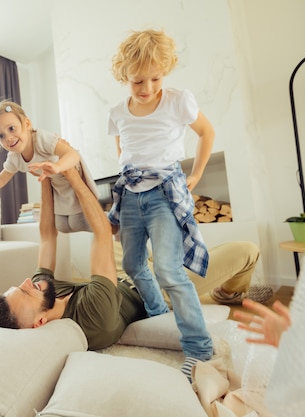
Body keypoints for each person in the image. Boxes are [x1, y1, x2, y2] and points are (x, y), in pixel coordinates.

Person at [106, 28, 216, 375]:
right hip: (130, 194)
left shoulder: (177, 99)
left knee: (167, 269)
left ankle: (199, 349)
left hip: (163, 193)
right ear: (123, 75)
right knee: (134, 264)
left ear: (165, 72)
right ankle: (158, 316)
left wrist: (195, 175)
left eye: (155, 78)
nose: (147, 88)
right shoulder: (117, 112)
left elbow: (206, 132)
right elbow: (123, 151)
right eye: (138, 81)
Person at [0, 167, 149, 353]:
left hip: (116, 276)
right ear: (40, 321)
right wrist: (72, 175)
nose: (26, 282)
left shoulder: (43, 295)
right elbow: (102, 232)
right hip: (143, 283)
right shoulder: (93, 318)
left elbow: (47, 236)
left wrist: (46, 178)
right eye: (24, 292)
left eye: (19, 287)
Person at [0, 100, 98, 233]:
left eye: (12, 129)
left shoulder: (41, 139)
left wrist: (57, 166)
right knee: (62, 226)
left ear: (26, 124)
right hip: (58, 187)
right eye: (1, 136)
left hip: (73, 179)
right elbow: (2, 179)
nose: (8, 137)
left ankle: (110, 222)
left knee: (77, 222)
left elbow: (73, 155)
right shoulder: (14, 157)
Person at [114, 239, 275, 306]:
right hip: (154, 286)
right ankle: (227, 294)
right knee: (247, 250)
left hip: (154, 265)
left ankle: (225, 292)